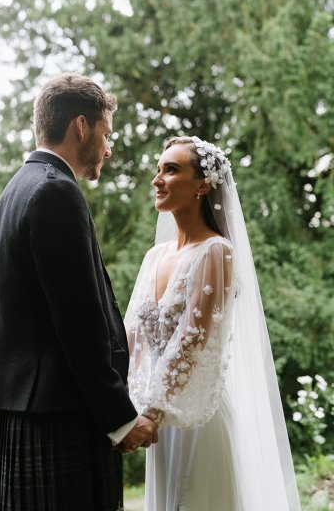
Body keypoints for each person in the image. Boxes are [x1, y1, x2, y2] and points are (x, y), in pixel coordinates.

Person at [0, 72, 158, 511]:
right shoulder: (56, 192)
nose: (109, 147)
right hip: (61, 417)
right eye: (107, 133)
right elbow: (78, 323)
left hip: (27, 413)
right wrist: (120, 418)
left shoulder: (16, 190)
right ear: (81, 126)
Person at [124, 136, 301, 510]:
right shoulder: (154, 257)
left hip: (196, 420)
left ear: (203, 185)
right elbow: (132, 338)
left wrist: (153, 412)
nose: (157, 179)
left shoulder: (216, 251)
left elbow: (192, 338)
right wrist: (129, 411)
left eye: (171, 170)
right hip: (157, 422)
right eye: (158, 169)